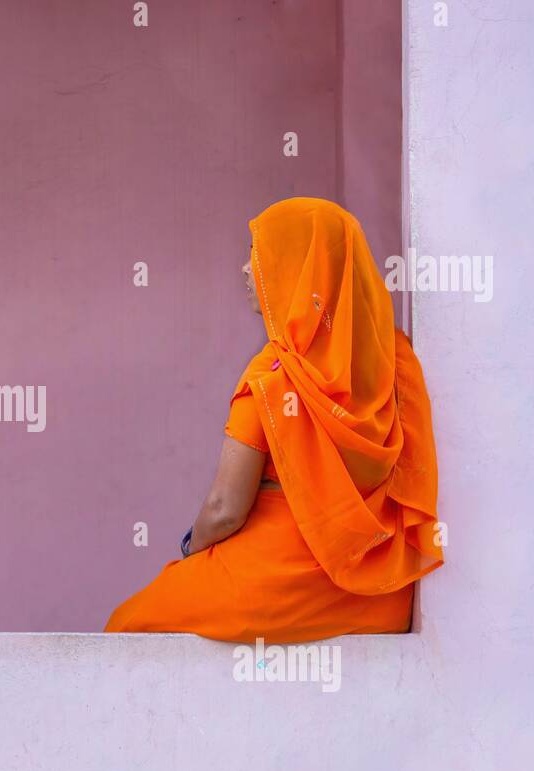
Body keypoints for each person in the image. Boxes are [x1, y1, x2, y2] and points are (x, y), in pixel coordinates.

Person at [106, 197, 443, 643]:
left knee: (126, 623)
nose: (246, 269)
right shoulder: (397, 363)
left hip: (275, 585)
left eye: (259, 252)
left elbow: (225, 510)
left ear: (300, 269)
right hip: (381, 596)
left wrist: (194, 554)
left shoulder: (275, 374)